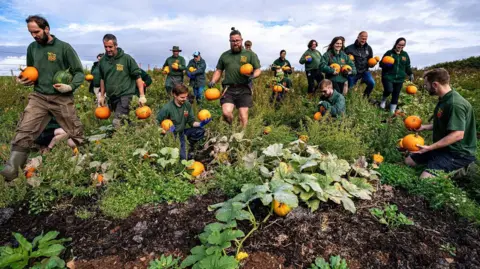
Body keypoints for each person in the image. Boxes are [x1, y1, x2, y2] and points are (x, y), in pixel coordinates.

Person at [1, 15, 84, 181]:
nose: (34, 35)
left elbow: (79, 72)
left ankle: (80, 161)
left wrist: (70, 86)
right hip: (39, 96)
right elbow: (32, 71)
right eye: (31, 33)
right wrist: (24, 79)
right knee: (25, 128)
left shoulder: (64, 48)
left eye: (37, 32)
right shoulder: (32, 48)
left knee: (76, 131)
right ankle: (12, 170)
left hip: (61, 97)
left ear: (47, 29)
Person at [405, 68, 477, 179]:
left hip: (457, 153)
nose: (425, 87)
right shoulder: (444, 99)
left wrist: (430, 147)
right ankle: (436, 162)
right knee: (409, 161)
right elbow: (446, 124)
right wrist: (424, 127)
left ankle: (462, 169)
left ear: (434, 85)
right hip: (443, 149)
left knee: (424, 180)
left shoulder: (454, 104)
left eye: (426, 85)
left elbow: (457, 134)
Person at [208, 27, 261, 128]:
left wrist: (252, 76)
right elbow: (219, 70)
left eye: (237, 40)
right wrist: (213, 81)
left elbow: (258, 69)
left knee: (243, 117)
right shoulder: (225, 55)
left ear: (241, 40)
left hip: (244, 87)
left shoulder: (250, 54)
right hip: (229, 88)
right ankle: (232, 127)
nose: (235, 43)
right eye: (233, 41)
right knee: (226, 113)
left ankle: (243, 137)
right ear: (230, 41)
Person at [98, 34, 146, 128]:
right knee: (127, 122)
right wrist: (102, 96)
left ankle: (118, 141)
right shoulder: (103, 61)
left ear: (116, 45)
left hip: (125, 96)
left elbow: (137, 77)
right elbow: (102, 79)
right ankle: (134, 135)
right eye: (105, 47)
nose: (108, 49)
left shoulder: (126, 59)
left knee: (117, 122)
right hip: (112, 97)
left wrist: (142, 95)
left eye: (110, 47)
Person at [156, 84, 211, 160]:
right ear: (175, 95)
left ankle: (190, 146)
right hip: (173, 135)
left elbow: (191, 122)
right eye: (182, 97)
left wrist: (201, 123)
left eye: (186, 97)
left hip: (182, 132)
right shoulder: (167, 108)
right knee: (183, 158)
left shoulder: (187, 105)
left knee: (200, 130)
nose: (185, 99)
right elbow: (156, 122)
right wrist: (164, 130)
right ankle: (182, 148)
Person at [379, 37, 413, 114]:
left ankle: (391, 112)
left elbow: (407, 66)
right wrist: (385, 65)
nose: (400, 47)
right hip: (388, 76)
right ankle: (383, 100)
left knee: (396, 94)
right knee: (389, 90)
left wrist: (410, 73)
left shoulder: (405, 55)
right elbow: (381, 64)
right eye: (399, 44)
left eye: (403, 45)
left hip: (399, 78)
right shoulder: (389, 53)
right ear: (396, 44)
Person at [345, 31, 376, 97]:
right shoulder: (349, 48)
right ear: (358, 37)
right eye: (362, 38)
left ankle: (365, 97)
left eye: (365, 39)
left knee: (372, 83)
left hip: (365, 71)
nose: (364, 40)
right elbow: (344, 61)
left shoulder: (369, 48)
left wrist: (372, 65)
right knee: (350, 88)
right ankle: (350, 100)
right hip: (353, 72)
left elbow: (370, 60)